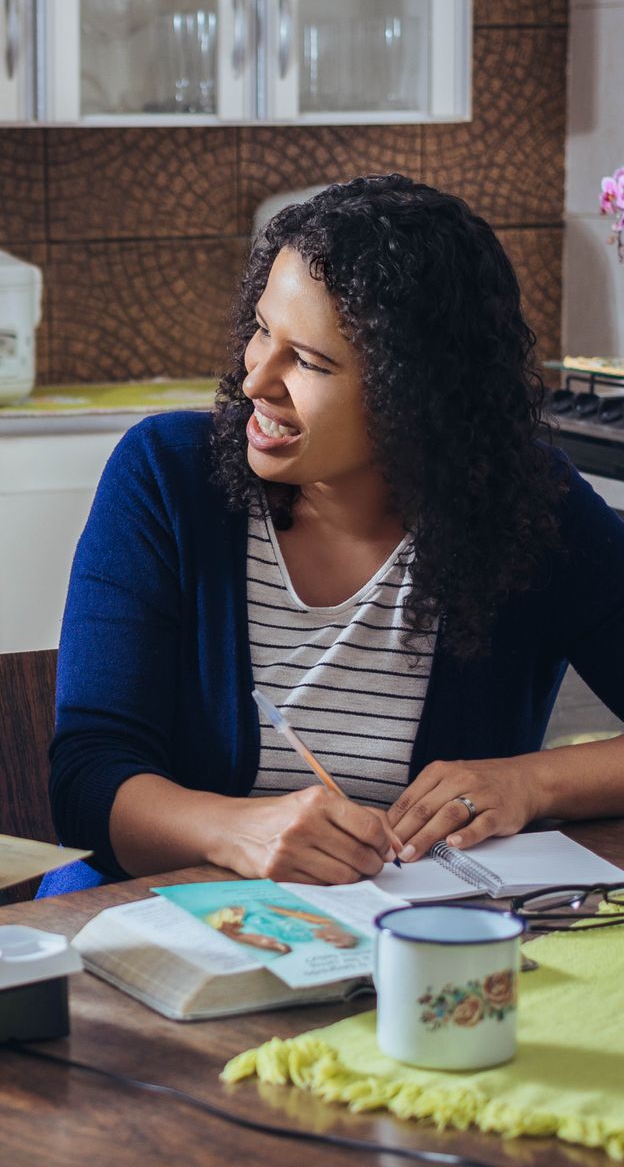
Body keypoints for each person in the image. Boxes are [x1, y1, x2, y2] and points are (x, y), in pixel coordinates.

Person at [45, 174, 624, 894]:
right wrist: (238, 834)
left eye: (310, 363)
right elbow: (87, 781)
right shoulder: (166, 477)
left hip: (413, 940)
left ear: (417, 395)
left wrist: (531, 785)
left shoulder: (528, 509)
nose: (257, 380)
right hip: (159, 922)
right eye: (262, 331)